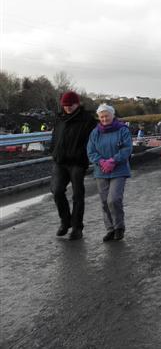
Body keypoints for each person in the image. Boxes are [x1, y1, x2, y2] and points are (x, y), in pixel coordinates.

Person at [50, 91, 97, 240]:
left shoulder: (87, 120)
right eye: (65, 105)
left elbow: (94, 140)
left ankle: (77, 227)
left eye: (71, 105)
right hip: (60, 161)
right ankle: (65, 221)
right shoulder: (59, 118)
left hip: (77, 162)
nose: (68, 108)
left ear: (77, 104)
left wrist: (85, 155)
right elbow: (55, 136)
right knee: (57, 191)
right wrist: (54, 150)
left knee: (77, 194)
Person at [87, 104, 132, 242]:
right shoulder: (95, 132)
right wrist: (101, 162)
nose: (104, 119)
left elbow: (127, 148)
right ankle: (110, 229)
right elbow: (90, 151)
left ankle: (119, 227)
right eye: (102, 117)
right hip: (101, 171)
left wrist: (113, 160)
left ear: (113, 116)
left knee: (114, 199)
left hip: (118, 170)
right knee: (105, 202)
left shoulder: (122, 130)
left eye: (107, 116)